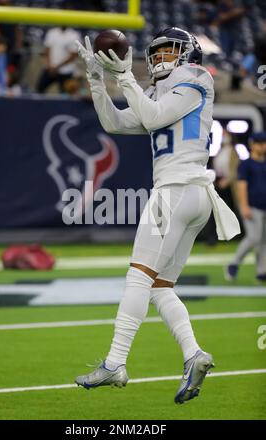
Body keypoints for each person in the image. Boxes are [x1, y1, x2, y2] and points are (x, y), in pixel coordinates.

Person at [75, 27, 240, 404]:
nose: (162, 58)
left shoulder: (194, 77)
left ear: (188, 54)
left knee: (138, 275)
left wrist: (125, 77)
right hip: (190, 196)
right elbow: (115, 123)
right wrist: (97, 81)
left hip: (176, 191)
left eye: (170, 51)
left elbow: (152, 117)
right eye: (158, 52)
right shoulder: (160, 90)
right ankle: (193, 354)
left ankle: (115, 362)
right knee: (160, 286)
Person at [226, 132, 266, 282]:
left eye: (264, 143)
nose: (262, 146)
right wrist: (243, 205)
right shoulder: (246, 164)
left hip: (264, 205)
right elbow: (241, 185)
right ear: (252, 144)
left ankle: (262, 271)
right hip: (252, 206)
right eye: (259, 143)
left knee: (264, 240)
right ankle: (234, 263)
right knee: (254, 238)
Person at [36, 26, 81, 94]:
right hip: (50, 68)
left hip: (66, 70)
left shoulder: (74, 35)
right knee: (39, 89)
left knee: (67, 94)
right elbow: (47, 50)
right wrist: (49, 65)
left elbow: (73, 55)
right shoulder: (52, 33)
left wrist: (57, 67)